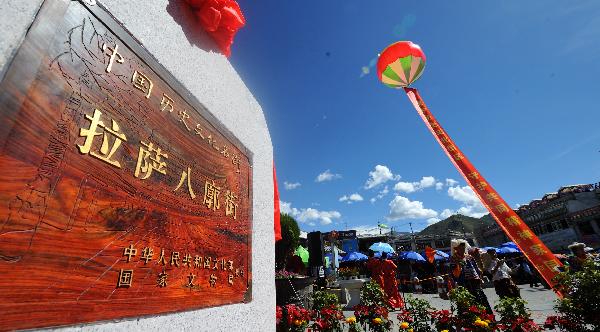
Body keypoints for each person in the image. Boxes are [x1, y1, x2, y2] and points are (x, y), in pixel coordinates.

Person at [449, 239, 493, 314]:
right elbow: (454, 273)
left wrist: (479, 276)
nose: (463, 249)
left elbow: (476, 268)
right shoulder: (453, 258)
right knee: (468, 300)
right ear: (456, 249)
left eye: (464, 247)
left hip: (475, 280)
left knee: (480, 298)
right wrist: (458, 265)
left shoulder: (469, 257)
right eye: (461, 248)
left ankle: (487, 316)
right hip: (464, 282)